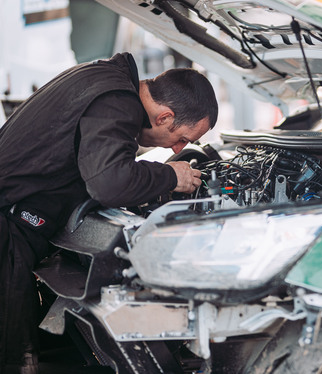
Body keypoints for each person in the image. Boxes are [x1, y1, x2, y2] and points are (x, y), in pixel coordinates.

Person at [0, 52, 218, 373]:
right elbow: (110, 183)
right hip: (7, 232)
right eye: (182, 139)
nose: (176, 150)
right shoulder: (117, 102)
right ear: (164, 117)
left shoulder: (103, 79)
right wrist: (172, 176)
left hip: (18, 224)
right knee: (15, 360)